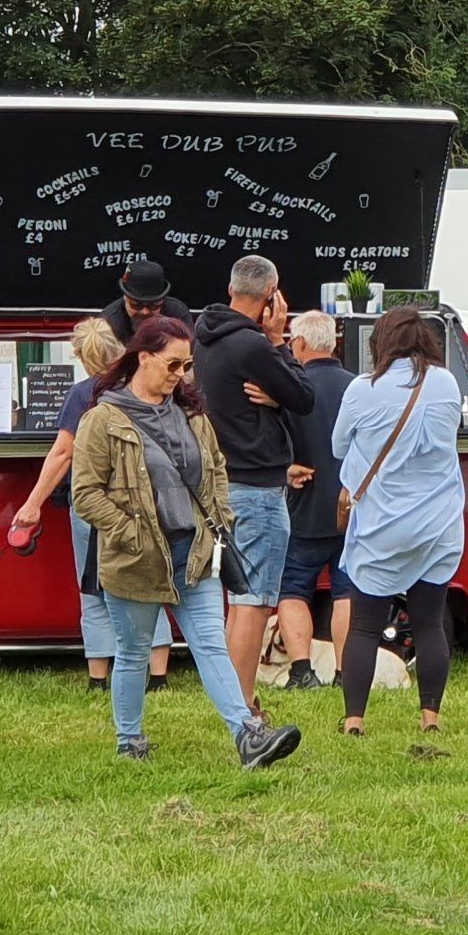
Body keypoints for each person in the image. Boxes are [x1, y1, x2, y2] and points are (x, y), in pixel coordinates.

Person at [69, 315, 303, 767]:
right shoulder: (102, 419)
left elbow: (216, 469)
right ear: (143, 358)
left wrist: (220, 518)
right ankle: (129, 740)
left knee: (211, 643)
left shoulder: (192, 415)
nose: (181, 375)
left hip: (194, 551)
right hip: (136, 559)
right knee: (134, 652)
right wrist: (129, 532)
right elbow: (86, 494)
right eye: (173, 365)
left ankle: (248, 735)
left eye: (187, 366)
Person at [12, 318, 170, 690]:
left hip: (93, 504)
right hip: (144, 502)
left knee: (93, 587)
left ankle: (99, 676)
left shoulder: (83, 394)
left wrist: (32, 504)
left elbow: (63, 453)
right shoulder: (144, 389)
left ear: (84, 357)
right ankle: (158, 675)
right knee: (149, 582)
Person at [333, 307, 465, 735]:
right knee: (429, 622)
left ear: (380, 342)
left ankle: (354, 720)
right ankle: (430, 717)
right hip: (439, 522)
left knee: (364, 626)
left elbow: (338, 446)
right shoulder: (446, 382)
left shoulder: (362, 389)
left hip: (381, 525)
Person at [194, 255, 316, 715]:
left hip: (223, 482)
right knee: (255, 601)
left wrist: (276, 396)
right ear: (271, 296)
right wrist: (279, 341)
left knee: (238, 599)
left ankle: (234, 698)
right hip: (259, 486)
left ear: (231, 289)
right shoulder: (254, 346)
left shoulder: (204, 337)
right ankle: (243, 708)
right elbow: (304, 396)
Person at [279, 311, 357, 690]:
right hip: (352, 508)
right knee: (347, 592)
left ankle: (301, 671)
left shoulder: (290, 390)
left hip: (303, 507)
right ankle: (345, 672)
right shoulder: (357, 386)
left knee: (292, 590)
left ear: (301, 343)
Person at [103, 260, 193, 344]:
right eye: (136, 305)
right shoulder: (109, 323)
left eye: (153, 306)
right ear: (125, 298)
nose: (145, 312)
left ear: (162, 301)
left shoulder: (177, 315)